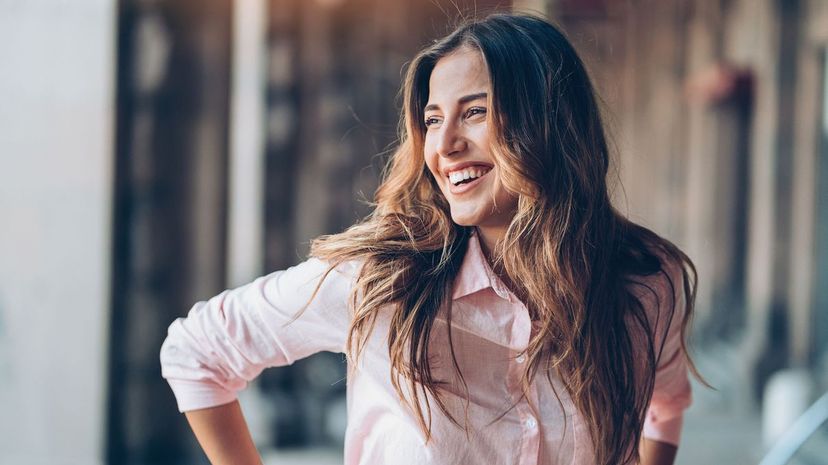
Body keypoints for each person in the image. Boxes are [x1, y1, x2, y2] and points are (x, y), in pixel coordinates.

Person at [160, 12, 702, 465]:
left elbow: (665, 404)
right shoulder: (382, 280)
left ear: (550, 123)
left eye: (475, 112)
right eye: (433, 119)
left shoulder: (647, 279)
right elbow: (196, 352)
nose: (444, 146)